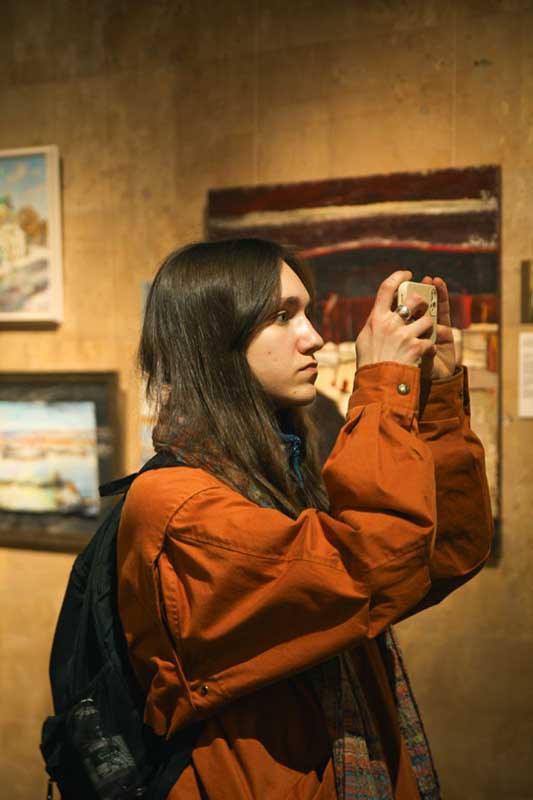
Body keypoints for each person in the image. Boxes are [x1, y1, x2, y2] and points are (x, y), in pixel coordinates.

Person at [117, 237, 492, 800]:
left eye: (306, 313)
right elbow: (373, 564)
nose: (313, 336)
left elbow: (441, 554)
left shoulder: (276, 476)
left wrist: (435, 398)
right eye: (281, 316)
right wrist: (382, 385)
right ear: (216, 336)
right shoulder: (180, 506)